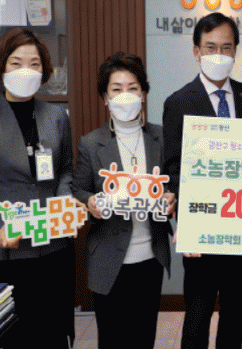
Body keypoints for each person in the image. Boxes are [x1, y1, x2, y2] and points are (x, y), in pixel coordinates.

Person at [0, 28, 85, 349]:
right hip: (10, 247)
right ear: (1, 68)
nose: (26, 71)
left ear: (44, 70)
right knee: (16, 337)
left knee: (54, 333)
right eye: (16, 62)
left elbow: (65, 170)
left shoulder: (55, 116)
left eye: (34, 64)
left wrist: (65, 202)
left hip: (54, 245)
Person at [162, 12, 242, 349]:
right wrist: (184, 223)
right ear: (196, 51)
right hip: (201, 229)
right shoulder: (178, 102)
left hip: (241, 225)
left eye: (226, 47)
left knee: (236, 312)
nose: (219, 54)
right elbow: (173, 168)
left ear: (235, 52)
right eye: (210, 47)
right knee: (198, 315)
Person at [73, 52, 175, 349]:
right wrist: (91, 202)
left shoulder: (161, 138)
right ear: (105, 97)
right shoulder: (91, 143)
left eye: (133, 88)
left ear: (143, 93)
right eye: (116, 89)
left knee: (143, 338)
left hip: (150, 257)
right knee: (112, 340)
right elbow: (78, 191)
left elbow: (173, 182)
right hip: (108, 258)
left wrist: (173, 197)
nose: (125, 95)